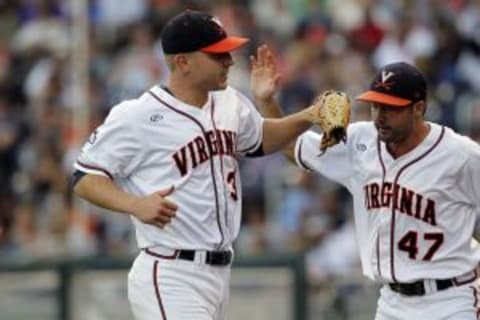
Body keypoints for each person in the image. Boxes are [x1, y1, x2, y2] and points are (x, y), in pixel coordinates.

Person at [73, 10, 320, 320]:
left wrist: (310, 115)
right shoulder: (138, 116)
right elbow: (85, 177)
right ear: (183, 62)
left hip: (219, 273)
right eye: (217, 55)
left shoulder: (229, 101)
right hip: (170, 272)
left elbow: (264, 140)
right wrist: (134, 204)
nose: (229, 61)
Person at [259, 60, 480, 319]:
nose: (380, 116)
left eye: (391, 108)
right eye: (375, 105)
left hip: (450, 300)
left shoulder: (460, 155)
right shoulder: (359, 141)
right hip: (391, 302)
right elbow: (291, 147)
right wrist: (266, 101)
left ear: (418, 108)